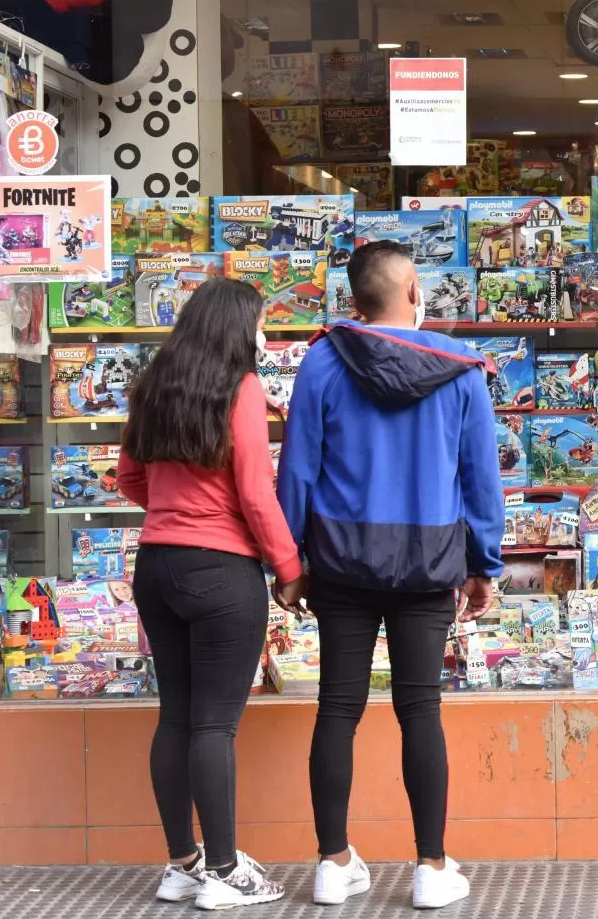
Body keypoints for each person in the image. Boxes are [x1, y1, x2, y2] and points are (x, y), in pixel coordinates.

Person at [277, 239, 504, 910]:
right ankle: (432, 868)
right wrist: (483, 562)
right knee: (420, 709)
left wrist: (289, 559)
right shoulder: (459, 369)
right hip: (431, 563)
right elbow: (479, 476)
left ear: (355, 302)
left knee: (337, 709)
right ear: (413, 292)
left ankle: (331, 862)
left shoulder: (322, 360)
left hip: (341, 562)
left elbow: (297, 467)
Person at [117, 278, 303, 910]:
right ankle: (224, 872)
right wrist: (288, 566)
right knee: (214, 726)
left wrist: (173, 513)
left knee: (175, 716)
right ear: (234, 329)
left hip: (156, 565)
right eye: (258, 325)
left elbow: (128, 477)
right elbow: (255, 492)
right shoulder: (241, 388)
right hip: (222, 572)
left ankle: (182, 864)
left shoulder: (153, 387)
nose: (264, 337)